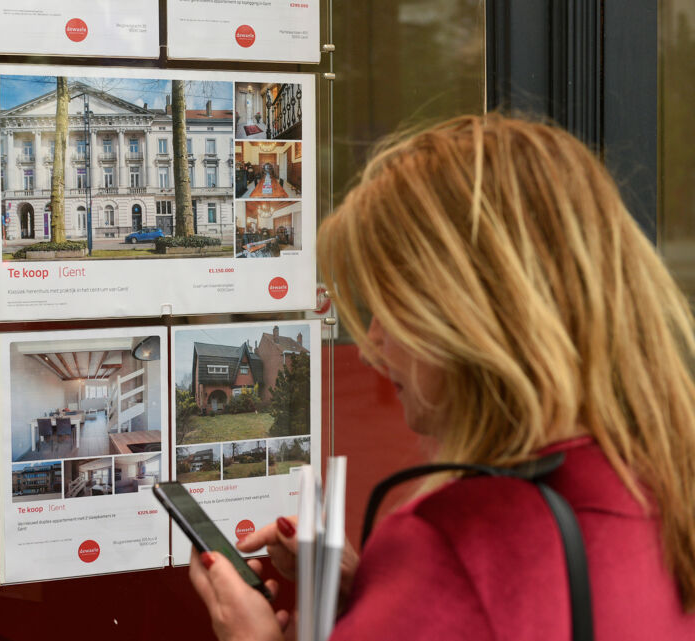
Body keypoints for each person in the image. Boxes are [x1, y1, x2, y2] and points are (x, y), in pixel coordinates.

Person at [188, 114, 695, 639]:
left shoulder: (448, 548)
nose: (371, 349)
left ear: (468, 316)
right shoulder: (662, 488)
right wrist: (378, 601)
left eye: (391, 307)